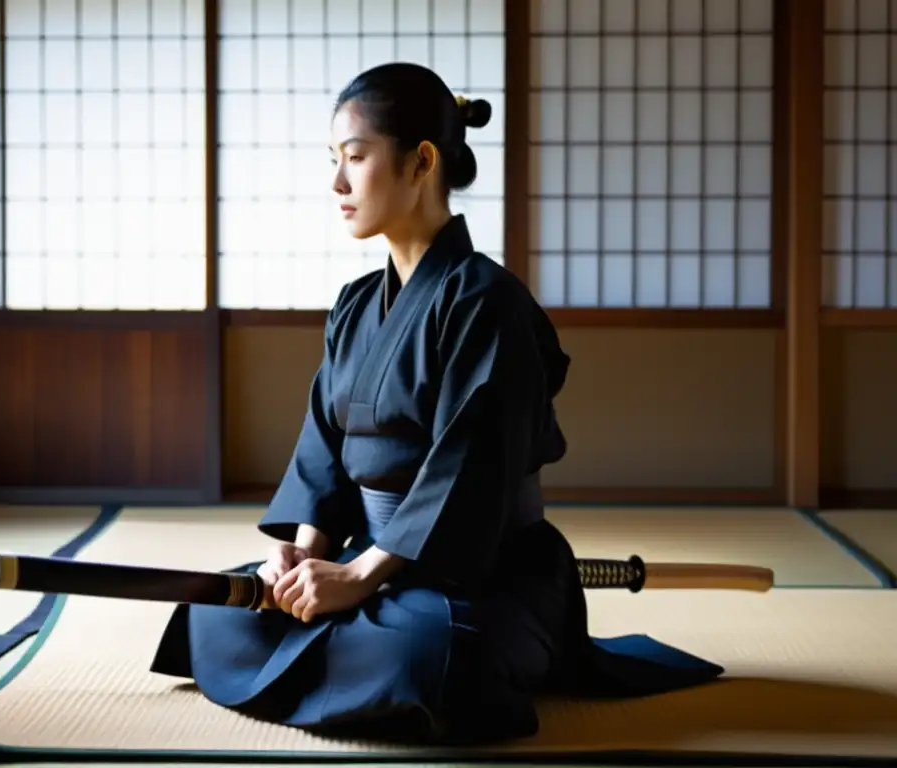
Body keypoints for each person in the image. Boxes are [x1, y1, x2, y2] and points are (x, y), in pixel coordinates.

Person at [150, 62, 723, 745]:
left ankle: (382, 653)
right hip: (374, 563)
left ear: (420, 161)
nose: (336, 184)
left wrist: (362, 576)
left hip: (482, 572)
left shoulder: (489, 303)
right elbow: (324, 454)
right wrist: (304, 560)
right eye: (333, 161)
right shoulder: (356, 306)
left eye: (355, 159)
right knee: (224, 606)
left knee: (434, 653)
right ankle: (343, 640)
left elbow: (470, 467)